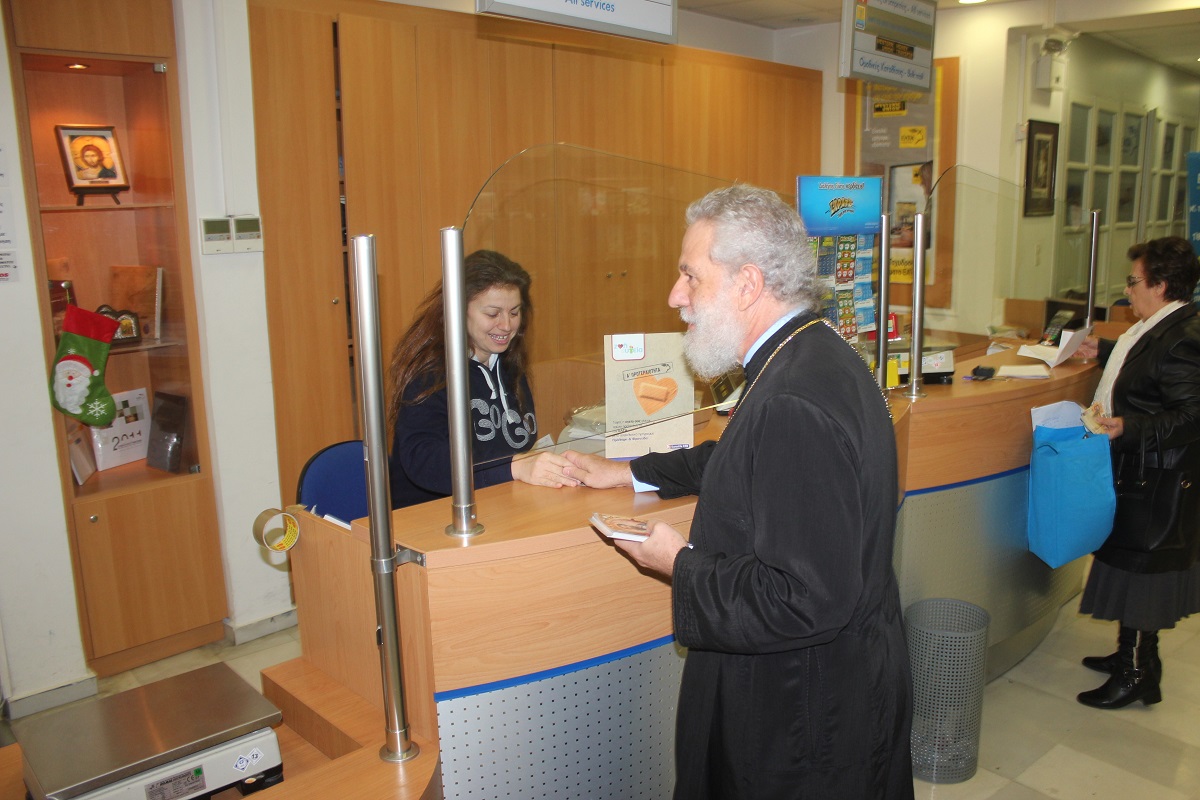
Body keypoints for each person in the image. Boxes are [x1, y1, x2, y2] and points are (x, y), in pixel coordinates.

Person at [563, 185, 913, 798]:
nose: (676, 297)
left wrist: (679, 564)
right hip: (835, 687)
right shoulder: (812, 352)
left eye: (690, 276)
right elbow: (748, 459)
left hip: (799, 720)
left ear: (747, 284)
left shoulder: (792, 400)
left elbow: (805, 597)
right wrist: (632, 472)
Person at [1073, 236, 1200, 709]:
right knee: (1130, 567)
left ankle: (1136, 674)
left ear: (1160, 285)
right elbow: (1151, 368)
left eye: (1134, 281)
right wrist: (1104, 349)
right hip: (1143, 472)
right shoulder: (1163, 327)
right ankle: (1136, 657)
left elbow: (1192, 415)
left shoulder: (1184, 338)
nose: (1127, 290)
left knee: (1143, 575)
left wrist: (1130, 426)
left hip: (1159, 480)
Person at [386, 249, 577, 509]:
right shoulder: (430, 374)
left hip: (499, 503)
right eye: (492, 314)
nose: (506, 325)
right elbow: (425, 461)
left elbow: (517, 446)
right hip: (437, 513)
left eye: (514, 312)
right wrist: (513, 467)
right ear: (459, 311)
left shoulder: (508, 364)